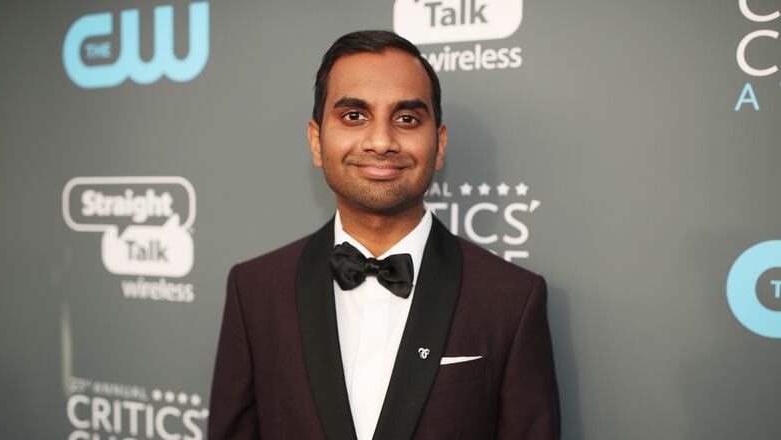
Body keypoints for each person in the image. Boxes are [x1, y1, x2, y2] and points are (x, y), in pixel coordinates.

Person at [208, 30, 560, 440]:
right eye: (354, 116)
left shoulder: (512, 300)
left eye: (406, 118)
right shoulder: (253, 291)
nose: (380, 141)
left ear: (439, 144)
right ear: (316, 141)